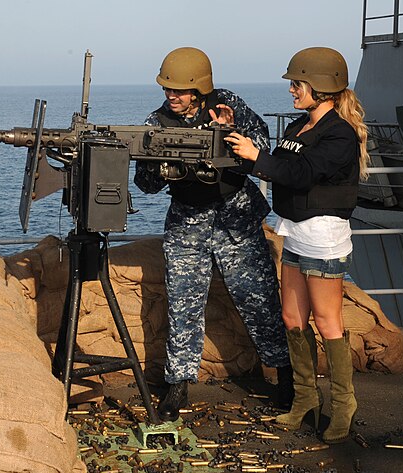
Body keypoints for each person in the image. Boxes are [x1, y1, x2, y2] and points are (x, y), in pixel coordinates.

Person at [134, 47, 292, 422]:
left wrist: (230, 130)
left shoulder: (226, 104)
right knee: (182, 305)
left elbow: (262, 149)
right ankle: (178, 384)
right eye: (167, 89)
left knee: (261, 302)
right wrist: (162, 168)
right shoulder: (156, 123)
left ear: (199, 89)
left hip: (235, 217)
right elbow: (144, 184)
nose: (171, 96)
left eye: (178, 90)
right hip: (188, 222)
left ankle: (285, 376)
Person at [226, 46, 369, 443]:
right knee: (292, 318)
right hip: (295, 231)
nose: (291, 89)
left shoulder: (339, 134)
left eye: (297, 83)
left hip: (324, 238)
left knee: (327, 322)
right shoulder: (297, 127)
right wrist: (232, 136)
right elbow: (276, 166)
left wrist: (259, 157)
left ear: (320, 87)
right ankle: (306, 399)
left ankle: (343, 406)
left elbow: (303, 173)